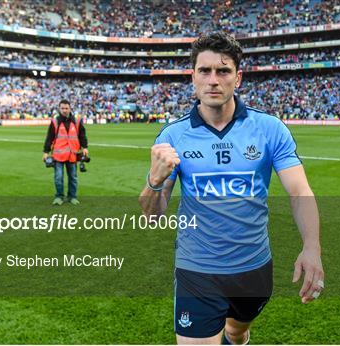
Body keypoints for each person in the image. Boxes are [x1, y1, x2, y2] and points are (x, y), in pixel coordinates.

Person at [139, 32, 324, 345]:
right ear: (192, 77)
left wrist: (312, 246)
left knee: (237, 333)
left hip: (253, 267)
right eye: (205, 71)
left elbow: (299, 191)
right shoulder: (173, 137)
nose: (214, 80)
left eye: (223, 71)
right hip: (197, 269)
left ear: (237, 78)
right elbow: (152, 217)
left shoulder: (269, 129)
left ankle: (236, 335)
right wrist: (153, 181)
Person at [43, 99, 88, 205]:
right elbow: (49, 137)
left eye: (66, 108)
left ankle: (72, 196)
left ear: (70, 108)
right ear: (59, 108)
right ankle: (59, 196)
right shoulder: (55, 121)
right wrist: (46, 151)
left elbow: (82, 134)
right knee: (58, 177)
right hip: (58, 155)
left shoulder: (76, 121)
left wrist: (85, 147)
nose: (64, 110)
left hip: (72, 154)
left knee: (73, 177)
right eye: (62, 108)